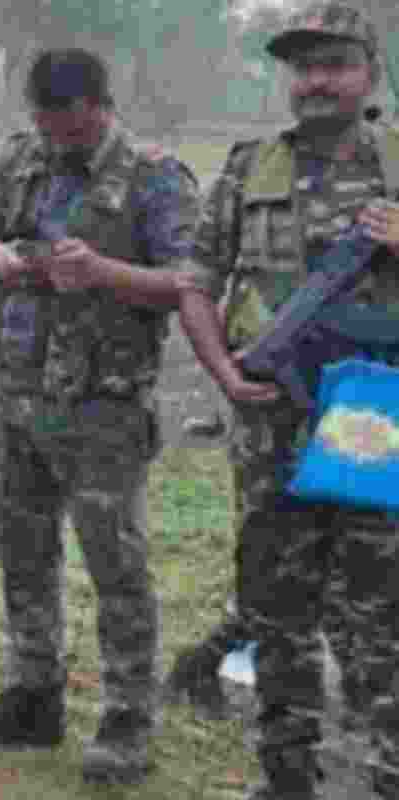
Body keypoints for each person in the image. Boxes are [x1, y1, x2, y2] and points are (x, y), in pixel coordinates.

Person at [0, 48, 200, 784]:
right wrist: (6, 263)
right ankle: (33, 694)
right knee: (21, 554)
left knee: (117, 566)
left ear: (99, 106)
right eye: (44, 124)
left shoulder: (154, 177)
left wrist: (105, 274)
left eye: (69, 127)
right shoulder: (21, 159)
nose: (56, 140)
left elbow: (190, 283)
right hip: (17, 394)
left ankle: (126, 721)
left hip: (104, 408)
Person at [175, 4, 399, 797]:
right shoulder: (247, 166)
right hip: (270, 422)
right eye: (303, 66)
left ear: (369, 71)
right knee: (278, 613)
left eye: (334, 62)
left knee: (381, 617)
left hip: (374, 423)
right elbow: (195, 284)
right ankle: (286, 779)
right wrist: (226, 377)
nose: (316, 80)